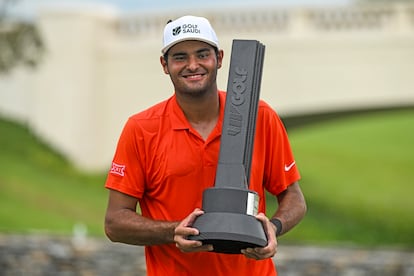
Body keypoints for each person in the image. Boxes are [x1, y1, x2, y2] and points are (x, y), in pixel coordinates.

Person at [104, 15, 307, 276]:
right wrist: (173, 231)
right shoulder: (141, 129)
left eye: (202, 54)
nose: (192, 65)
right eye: (179, 57)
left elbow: (294, 196)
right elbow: (114, 222)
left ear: (219, 58)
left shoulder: (260, 116)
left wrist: (273, 228)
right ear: (164, 65)